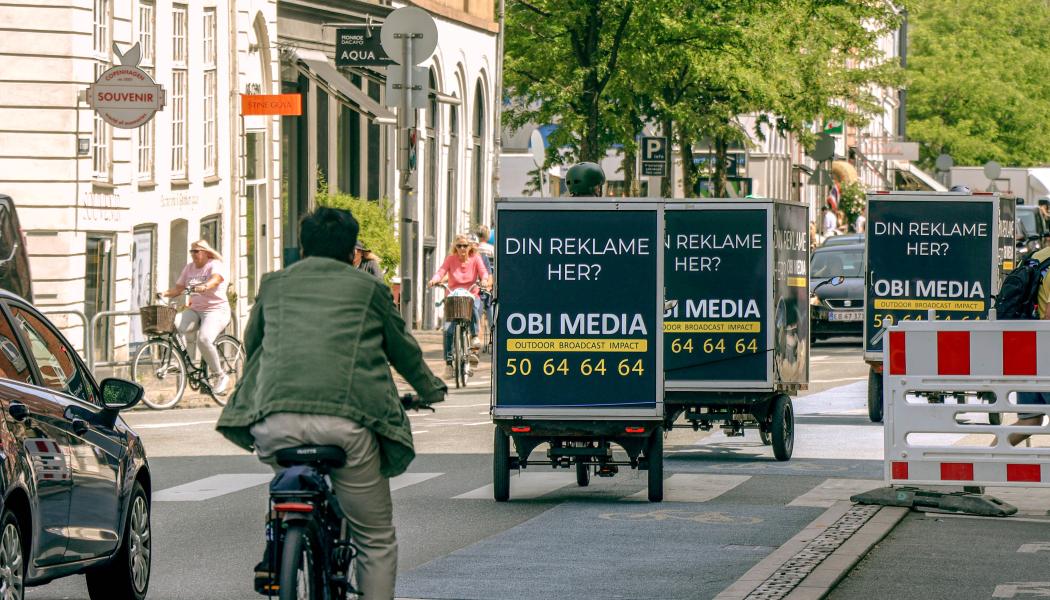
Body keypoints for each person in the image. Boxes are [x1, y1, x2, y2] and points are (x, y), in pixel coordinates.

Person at [215, 207, 446, 600]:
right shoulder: (369, 289)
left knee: (287, 477)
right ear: (352, 253)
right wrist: (429, 390)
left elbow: (253, 345)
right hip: (347, 424)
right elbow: (403, 351)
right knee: (375, 538)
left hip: (274, 421)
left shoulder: (274, 285)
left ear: (302, 247)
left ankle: (281, 536)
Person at [160, 239, 232, 394]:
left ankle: (220, 375)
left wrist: (205, 286)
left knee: (204, 339)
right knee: (172, 325)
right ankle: (176, 361)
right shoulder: (189, 268)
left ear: (205, 252)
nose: (193, 254)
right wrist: (163, 293)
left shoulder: (214, 265)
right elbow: (179, 288)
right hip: (195, 310)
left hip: (216, 310)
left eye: (196, 251)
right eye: (191, 251)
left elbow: (216, 279)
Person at [428, 234, 489, 378]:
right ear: (455, 247)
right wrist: (434, 280)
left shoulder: (476, 259)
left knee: (473, 305)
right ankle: (449, 364)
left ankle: (474, 336)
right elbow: (441, 271)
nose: (462, 248)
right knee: (448, 331)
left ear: (470, 247)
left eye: (465, 246)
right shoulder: (450, 259)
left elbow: (484, 273)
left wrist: (485, 280)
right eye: (459, 246)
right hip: (453, 297)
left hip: (471, 294)